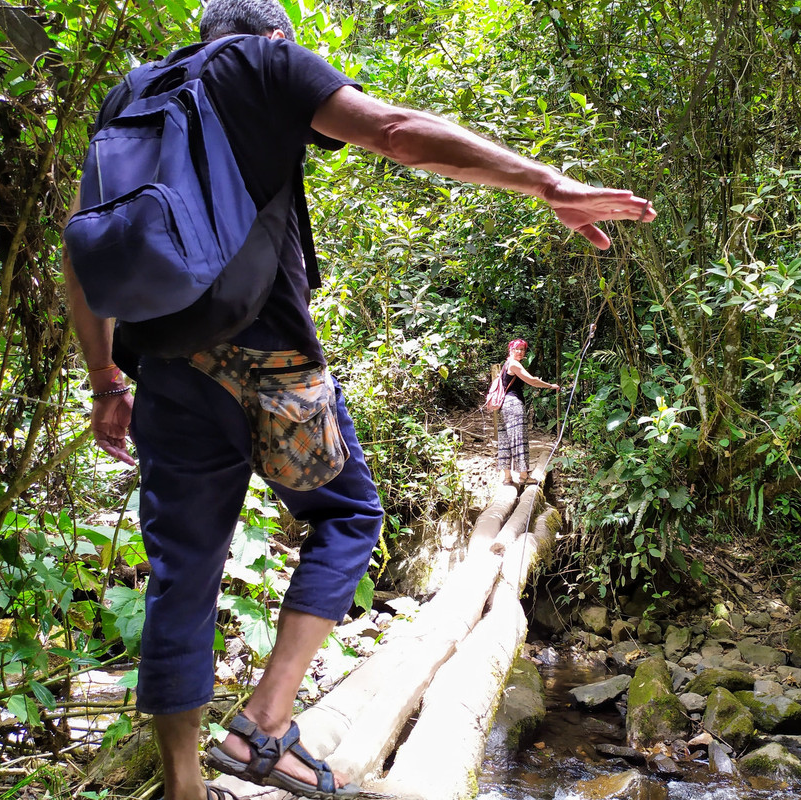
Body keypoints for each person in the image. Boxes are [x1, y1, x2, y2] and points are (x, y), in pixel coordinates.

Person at [62, 2, 657, 799]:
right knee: (347, 517)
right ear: (279, 35)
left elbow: (83, 247)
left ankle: (183, 786)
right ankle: (266, 724)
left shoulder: (135, 92)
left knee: (182, 573)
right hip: (272, 362)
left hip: (165, 369)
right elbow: (398, 133)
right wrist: (548, 183)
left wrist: (105, 383)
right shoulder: (267, 63)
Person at [497, 339, 559, 486]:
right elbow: (532, 381)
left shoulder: (506, 364)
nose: (519, 352)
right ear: (510, 349)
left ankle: (507, 478)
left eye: (522, 349)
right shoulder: (514, 364)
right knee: (519, 439)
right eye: (516, 349)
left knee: (505, 440)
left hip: (503, 406)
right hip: (513, 405)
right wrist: (550, 386)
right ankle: (523, 476)